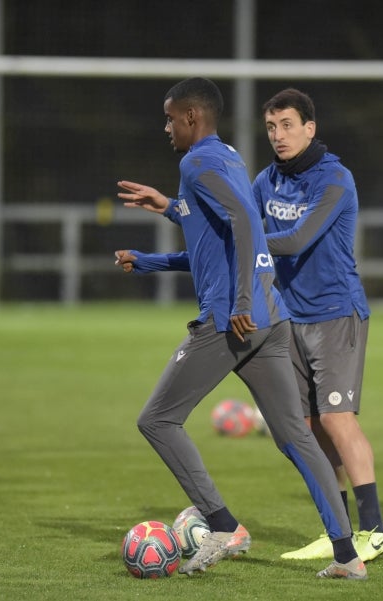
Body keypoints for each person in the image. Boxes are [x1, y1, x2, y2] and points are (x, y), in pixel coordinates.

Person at [112, 77, 366, 579]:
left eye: (169, 118)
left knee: (157, 420)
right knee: (296, 436)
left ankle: (224, 525)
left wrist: (240, 301)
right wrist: (154, 252)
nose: (166, 128)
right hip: (272, 320)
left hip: (233, 319)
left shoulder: (195, 161)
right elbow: (215, 241)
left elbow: (247, 225)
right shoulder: (227, 156)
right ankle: (347, 557)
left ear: (190, 117)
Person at [250, 88, 383, 563]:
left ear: (310, 128)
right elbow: (240, 221)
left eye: (287, 125)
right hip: (290, 318)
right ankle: (340, 530)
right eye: (271, 127)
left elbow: (295, 240)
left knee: (336, 418)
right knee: (309, 428)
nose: (278, 136)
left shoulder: (334, 178)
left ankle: (375, 529)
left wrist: (242, 239)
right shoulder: (266, 180)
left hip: (335, 314)